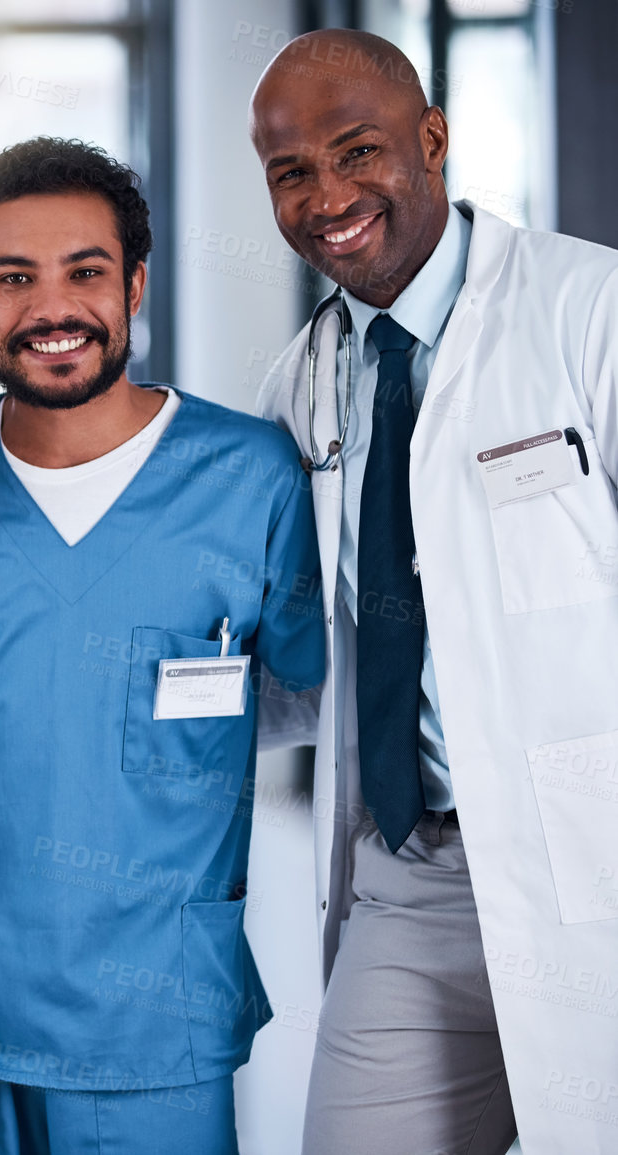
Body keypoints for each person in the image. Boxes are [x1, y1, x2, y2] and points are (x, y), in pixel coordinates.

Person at [0, 138, 323, 1153]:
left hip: (154, 1016)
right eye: (14, 277)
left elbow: (301, 691)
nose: (53, 307)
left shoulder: (249, 476)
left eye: (85, 270)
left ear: (135, 283)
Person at [250, 29, 618, 1155]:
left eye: (357, 151)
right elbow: (300, 658)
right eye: (290, 172)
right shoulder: (300, 387)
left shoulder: (588, 310)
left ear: (433, 140)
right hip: (411, 875)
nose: (328, 197)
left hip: (596, 858)